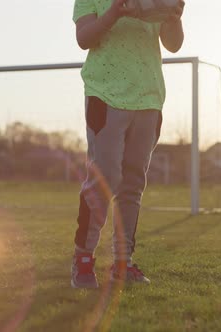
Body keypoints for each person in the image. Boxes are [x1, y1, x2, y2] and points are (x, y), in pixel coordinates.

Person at [71, 0, 185, 288]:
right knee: (105, 176)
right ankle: (83, 259)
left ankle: (123, 263)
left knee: (133, 183)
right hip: (105, 95)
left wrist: (173, 18)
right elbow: (83, 38)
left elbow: (174, 45)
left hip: (148, 98)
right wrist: (114, 12)